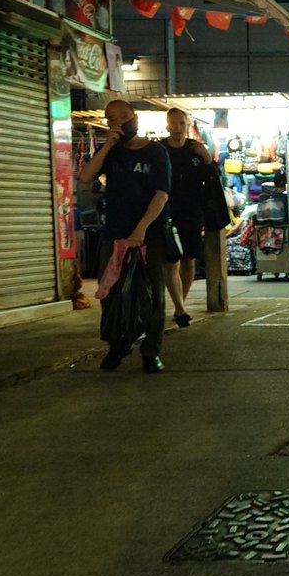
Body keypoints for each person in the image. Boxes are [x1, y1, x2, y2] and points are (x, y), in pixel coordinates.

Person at [77, 100, 171, 373]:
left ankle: (150, 352)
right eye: (111, 119)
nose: (119, 122)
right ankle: (117, 345)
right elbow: (85, 177)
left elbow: (161, 194)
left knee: (153, 295)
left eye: (124, 117)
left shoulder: (156, 152)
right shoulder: (112, 153)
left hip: (149, 235)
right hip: (114, 235)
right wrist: (107, 146)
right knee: (109, 293)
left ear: (135, 118)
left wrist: (140, 229)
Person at [161, 108, 212, 328]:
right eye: (173, 123)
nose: (177, 128)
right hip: (167, 211)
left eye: (181, 123)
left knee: (189, 260)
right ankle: (180, 308)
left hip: (192, 212)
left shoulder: (195, 149)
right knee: (171, 260)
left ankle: (181, 302)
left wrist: (207, 158)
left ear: (187, 125)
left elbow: (211, 177)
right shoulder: (159, 150)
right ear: (167, 125)